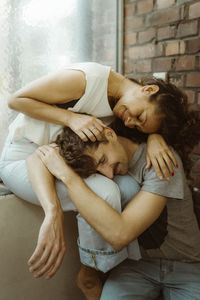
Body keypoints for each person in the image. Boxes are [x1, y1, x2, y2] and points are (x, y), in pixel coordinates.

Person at [34, 122, 200, 300]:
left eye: (103, 160)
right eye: (98, 171)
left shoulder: (160, 158)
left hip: (185, 266)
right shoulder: (93, 157)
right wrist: (52, 211)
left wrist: (67, 176)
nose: (109, 175)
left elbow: (120, 236)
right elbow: (35, 158)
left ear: (110, 135)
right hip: (135, 266)